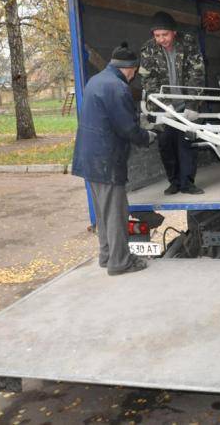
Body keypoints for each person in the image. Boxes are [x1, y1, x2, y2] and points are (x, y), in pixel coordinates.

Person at [72, 42, 156, 276]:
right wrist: (147, 136)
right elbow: (127, 128)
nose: (133, 76)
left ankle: (107, 255)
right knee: (116, 213)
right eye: (134, 72)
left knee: (103, 212)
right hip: (106, 160)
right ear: (130, 68)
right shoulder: (117, 88)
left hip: (89, 158)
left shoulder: (96, 80)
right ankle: (120, 263)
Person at [140, 11, 206, 195]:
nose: (161, 39)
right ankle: (174, 182)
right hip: (162, 108)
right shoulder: (148, 49)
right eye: (157, 35)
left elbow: (197, 74)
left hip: (185, 104)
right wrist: (165, 104)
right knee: (166, 144)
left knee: (186, 143)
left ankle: (187, 183)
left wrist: (193, 104)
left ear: (174, 32)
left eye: (165, 34)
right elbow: (148, 80)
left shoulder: (189, 44)